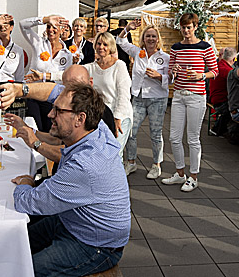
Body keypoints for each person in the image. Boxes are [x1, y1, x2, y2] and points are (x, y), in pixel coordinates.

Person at [0, 80, 129, 277]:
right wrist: (22, 90)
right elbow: (56, 90)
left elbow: (29, 203)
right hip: (77, 223)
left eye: (57, 111)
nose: (51, 114)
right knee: (17, 246)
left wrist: (27, 183)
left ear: (79, 118)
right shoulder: (98, 129)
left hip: (96, 245)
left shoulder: (84, 166)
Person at [163, 13, 217, 192]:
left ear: (195, 27)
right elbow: (171, 73)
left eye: (189, 27)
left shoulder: (205, 47)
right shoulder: (176, 48)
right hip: (178, 95)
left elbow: (214, 71)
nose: (186, 31)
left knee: (193, 138)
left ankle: (193, 176)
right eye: (183, 27)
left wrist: (201, 75)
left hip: (196, 96)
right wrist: (174, 71)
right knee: (174, 137)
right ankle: (180, 173)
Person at [117, 21, 170, 178]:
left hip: (157, 98)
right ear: (143, 38)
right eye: (148, 36)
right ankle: (131, 162)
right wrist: (127, 28)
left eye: (154, 36)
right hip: (138, 97)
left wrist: (159, 76)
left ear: (158, 39)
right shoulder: (137, 52)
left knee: (155, 133)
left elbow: (173, 78)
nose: (151, 39)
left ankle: (156, 165)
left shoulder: (165, 57)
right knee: (130, 131)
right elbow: (120, 42)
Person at [81, 32, 133, 169]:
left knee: (115, 154)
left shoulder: (119, 66)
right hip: (101, 116)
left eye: (105, 44)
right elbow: (70, 73)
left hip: (120, 117)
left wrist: (117, 118)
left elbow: (124, 94)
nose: (101, 47)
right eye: (98, 43)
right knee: (100, 154)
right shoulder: (91, 67)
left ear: (111, 47)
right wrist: (45, 75)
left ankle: (118, 187)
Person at [20, 14, 73, 131]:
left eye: (54, 27)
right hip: (32, 94)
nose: (51, 30)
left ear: (62, 30)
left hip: (51, 98)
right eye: (48, 26)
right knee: (34, 128)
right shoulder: (39, 43)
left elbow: (66, 78)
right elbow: (23, 25)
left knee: (48, 130)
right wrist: (44, 20)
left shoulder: (67, 54)